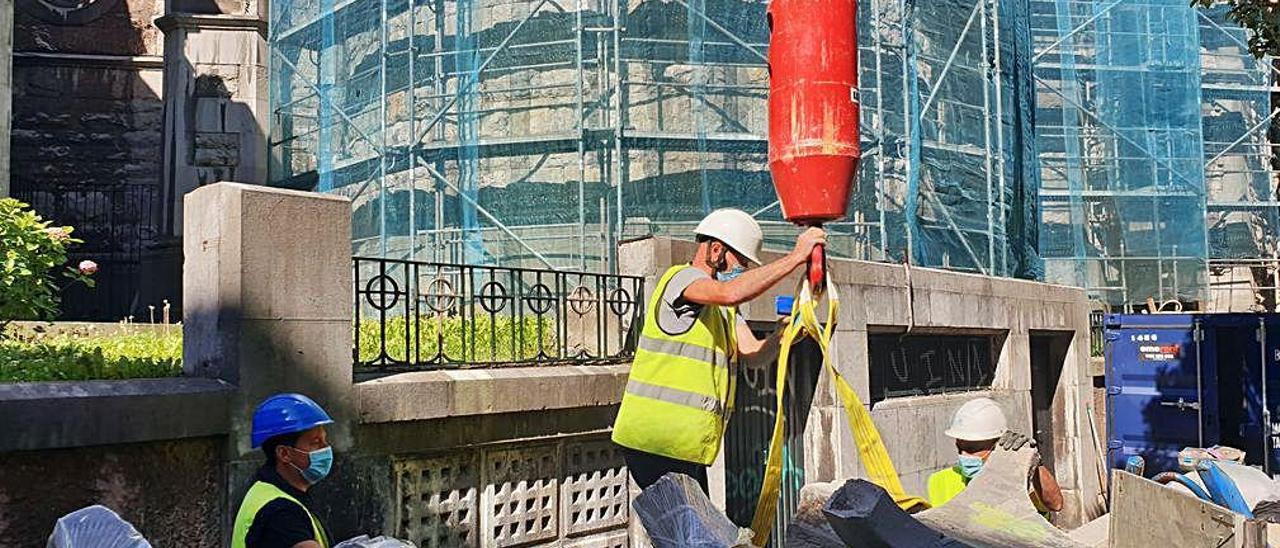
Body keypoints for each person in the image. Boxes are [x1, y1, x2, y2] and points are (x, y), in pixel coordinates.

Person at [611, 208, 827, 493]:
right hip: (655, 443)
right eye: (742, 263)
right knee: (691, 535)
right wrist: (796, 256)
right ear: (715, 251)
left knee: (694, 534)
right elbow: (731, 292)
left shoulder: (723, 311)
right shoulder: (680, 278)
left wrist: (782, 335)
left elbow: (753, 353)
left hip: (684, 447)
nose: (745, 272)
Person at [927, 397, 1064, 515]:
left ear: (997, 445)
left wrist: (1034, 463)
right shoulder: (939, 481)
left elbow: (1054, 504)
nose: (964, 456)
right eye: (960, 448)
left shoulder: (1018, 481)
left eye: (972, 449)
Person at [232, 393, 335, 548]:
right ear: (284, 454)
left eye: (324, 440)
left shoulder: (267, 489)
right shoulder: (280, 513)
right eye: (316, 442)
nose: (326, 448)